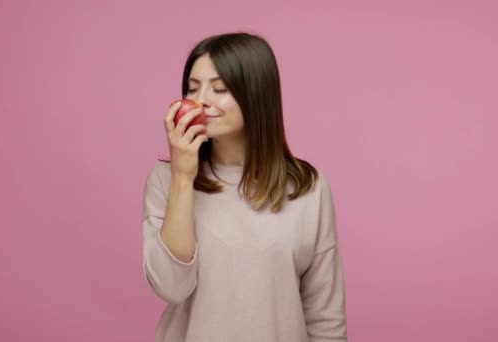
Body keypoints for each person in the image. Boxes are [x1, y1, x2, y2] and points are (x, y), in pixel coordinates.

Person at [142, 32, 347, 342]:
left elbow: (325, 317)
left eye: (220, 88)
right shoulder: (164, 180)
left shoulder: (309, 188)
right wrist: (183, 177)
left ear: (256, 95)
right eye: (193, 88)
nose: (201, 101)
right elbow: (170, 287)